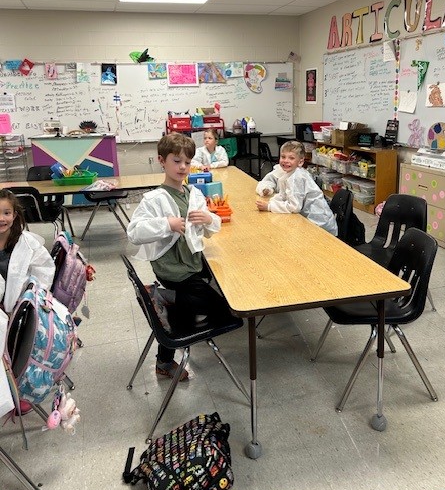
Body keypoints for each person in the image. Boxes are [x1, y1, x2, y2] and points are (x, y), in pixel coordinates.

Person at [127, 132, 234, 381]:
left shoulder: (192, 193)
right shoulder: (154, 199)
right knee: (225, 310)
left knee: (195, 307)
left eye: (187, 161)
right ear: (161, 160)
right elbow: (134, 232)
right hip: (173, 269)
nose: (183, 167)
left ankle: (166, 355)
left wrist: (208, 219)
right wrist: (167, 224)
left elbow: (210, 228)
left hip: (192, 263)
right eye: (176, 161)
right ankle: (167, 299)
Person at [255, 140, 338, 236]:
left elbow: (295, 207)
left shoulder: (297, 177)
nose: (286, 161)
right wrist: (271, 202)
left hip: (320, 226)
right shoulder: (288, 174)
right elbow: (283, 195)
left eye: (291, 158)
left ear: (300, 162)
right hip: (308, 219)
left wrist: (269, 207)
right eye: (283, 157)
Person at [0, 188, 55, 314]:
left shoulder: (29, 244)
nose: (1, 218)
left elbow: (44, 273)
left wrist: (28, 302)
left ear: (14, 215)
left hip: (20, 308)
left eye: (6, 213)